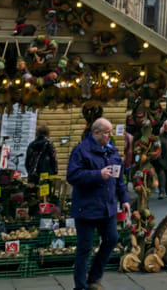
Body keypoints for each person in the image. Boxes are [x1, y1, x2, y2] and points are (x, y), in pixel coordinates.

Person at [66, 117, 131, 290]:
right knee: (85, 248)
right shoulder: (81, 151)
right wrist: (97, 174)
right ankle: (80, 286)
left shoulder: (112, 151)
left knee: (112, 239)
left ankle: (94, 277)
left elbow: (119, 178)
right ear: (96, 133)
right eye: (107, 132)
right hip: (86, 207)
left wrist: (124, 199)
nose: (110, 135)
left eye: (111, 132)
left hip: (107, 207)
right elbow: (72, 176)